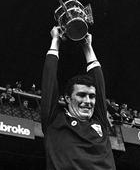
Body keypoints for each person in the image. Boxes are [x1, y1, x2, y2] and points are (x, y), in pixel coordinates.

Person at [41, 26, 116, 170]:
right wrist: (55, 41)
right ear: (67, 98)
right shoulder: (54, 120)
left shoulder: (99, 121)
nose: (88, 101)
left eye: (92, 96)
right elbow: (49, 81)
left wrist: (88, 47)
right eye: (81, 95)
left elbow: (99, 84)